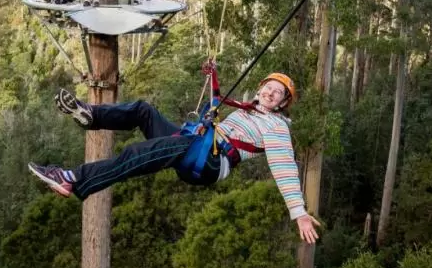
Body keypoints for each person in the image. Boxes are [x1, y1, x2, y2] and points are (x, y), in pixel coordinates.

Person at [27, 66, 321, 244]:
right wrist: (212, 77)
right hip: (196, 143)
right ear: (259, 90)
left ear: (283, 104)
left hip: (209, 161)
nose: (271, 93)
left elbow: (285, 167)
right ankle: (91, 116)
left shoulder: (277, 126)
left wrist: (299, 214)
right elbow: (214, 107)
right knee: (143, 111)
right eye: (269, 87)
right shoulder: (246, 109)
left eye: (278, 93)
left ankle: (72, 179)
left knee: (138, 153)